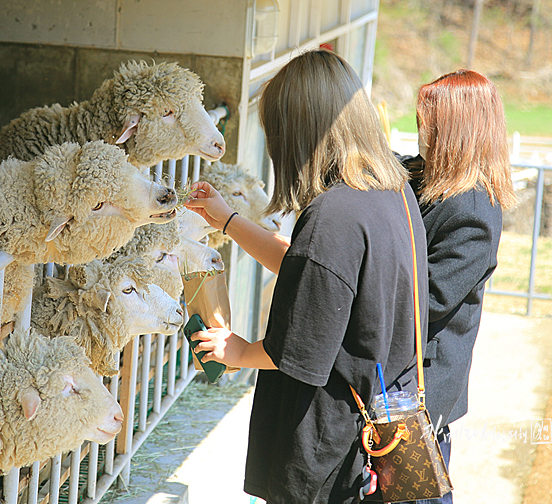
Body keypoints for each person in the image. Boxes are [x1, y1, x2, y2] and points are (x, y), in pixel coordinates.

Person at [185, 48, 429, 504]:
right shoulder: (389, 190)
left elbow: (299, 353)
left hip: (325, 451)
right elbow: (314, 279)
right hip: (369, 435)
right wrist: (228, 220)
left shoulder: (332, 216)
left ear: (299, 134)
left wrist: (236, 350)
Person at [399, 69, 516, 504]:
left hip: (419, 398)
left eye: (427, 124)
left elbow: (424, 303)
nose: (419, 132)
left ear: (457, 131)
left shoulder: (473, 212)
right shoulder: (429, 178)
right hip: (402, 382)